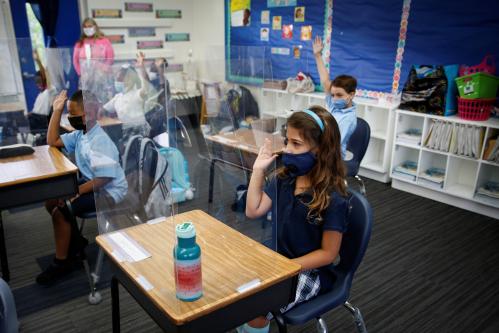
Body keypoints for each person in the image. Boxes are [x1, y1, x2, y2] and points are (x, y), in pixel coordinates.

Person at [243, 106, 349, 333]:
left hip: (309, 272)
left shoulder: (333, 198)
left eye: (297, 144)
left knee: (256, 309)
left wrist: (288, 267)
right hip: (277, 261)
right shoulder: (285, 178)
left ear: (321, 150)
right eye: (287, 141)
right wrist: (258, 171)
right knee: (235, 289)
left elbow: (328, 254)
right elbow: (253, 210)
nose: (287, 150)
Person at [37, 89, 127, 286]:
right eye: (69, 114)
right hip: (92, 182)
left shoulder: (99, 141)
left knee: (60, 211)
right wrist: (56, 111)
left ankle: (63, 262)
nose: (71, 118)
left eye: (74, 114)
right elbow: (52, 141)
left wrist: (76, 193)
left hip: (109, 190)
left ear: (91, 113)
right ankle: (74, 244)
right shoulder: (80, 134)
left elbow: (103, 178)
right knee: (51, 201)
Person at [313, 36, 357, 159]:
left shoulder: (348, 118)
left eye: (339, 95)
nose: (335, 99)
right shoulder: (335, 104)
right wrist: (317, 55)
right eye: (333, 95)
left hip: (333, 158)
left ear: (351, 95)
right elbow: (326, 81)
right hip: (323, 150)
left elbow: (333, 144)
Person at [103, 52, 153, 142]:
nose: (117, 82)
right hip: (125, 134)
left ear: (130, 79)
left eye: (120, 79)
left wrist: (141, 66)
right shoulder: (117, 98)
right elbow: (103, 109)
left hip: (140, 135)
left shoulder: (137, 94)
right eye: (117, 79)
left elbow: (147, 84)